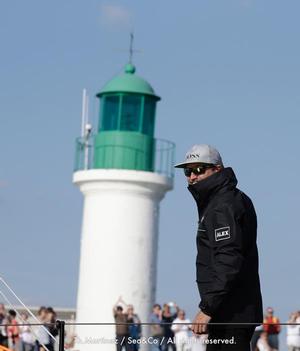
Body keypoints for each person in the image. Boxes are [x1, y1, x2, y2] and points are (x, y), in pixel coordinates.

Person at [175, 144, 263, 351]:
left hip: (232, 314)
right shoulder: (222, 200)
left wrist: (207, 309)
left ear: (217, 169)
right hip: (226, 312)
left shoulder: (223, 204)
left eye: (198, 169)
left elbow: (228, 259)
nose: (192, 176)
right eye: (187, 171)